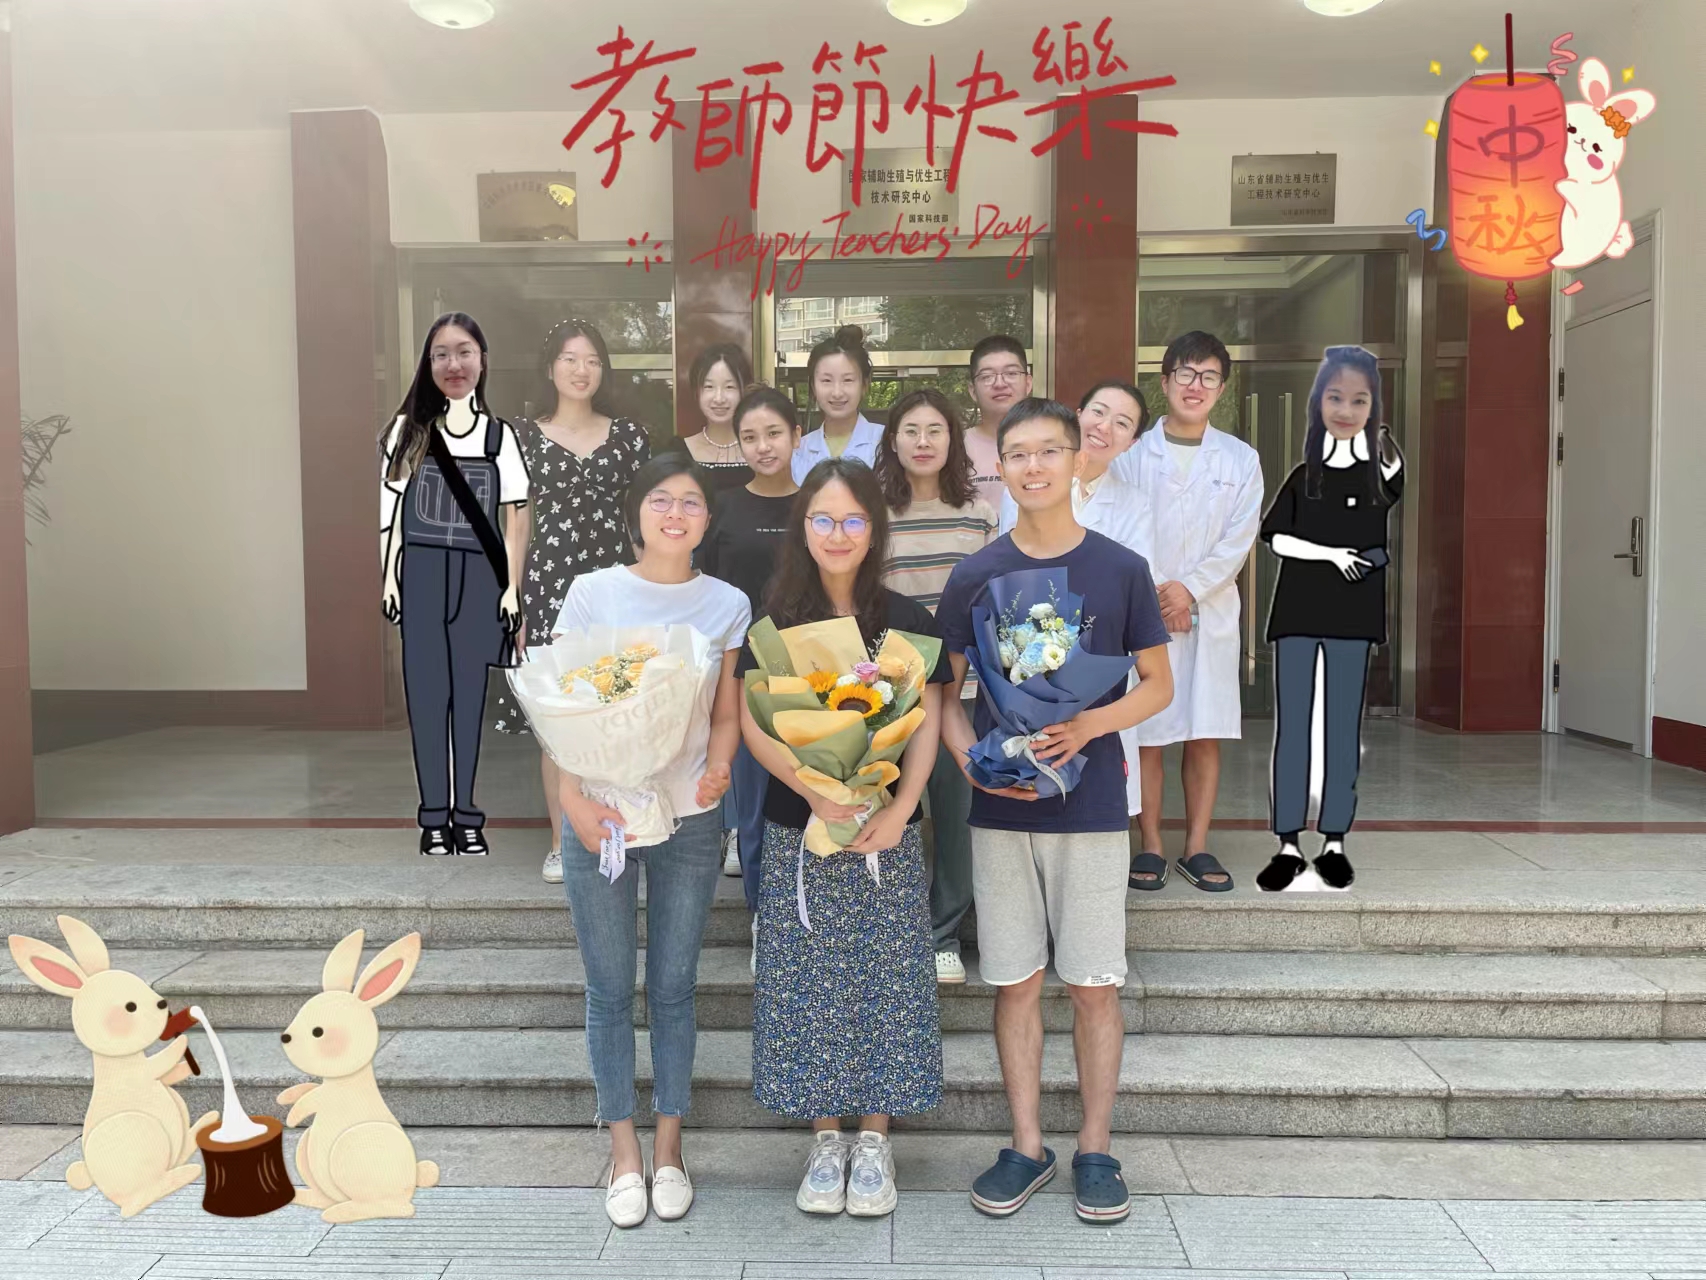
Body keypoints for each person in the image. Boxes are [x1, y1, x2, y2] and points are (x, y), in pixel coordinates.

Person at [937, 397, 1173, 1227]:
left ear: (1078, 460)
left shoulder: (1121, 568)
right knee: (1014, 983)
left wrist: (1089, 726)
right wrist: (976, 761)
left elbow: (1157, 685)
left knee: (1094, 985)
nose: (1033, 467)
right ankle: (1027, 1145)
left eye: (1048, 451)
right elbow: (945, 696)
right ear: (999, 467)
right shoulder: (974, 574)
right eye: (1018, 454)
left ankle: (1096, 1149)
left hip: (1094, 805)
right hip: (1002, 811)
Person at [738, 459, 950, 1220]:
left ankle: (876, 1140)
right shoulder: (775, 624)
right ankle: (826, 1139)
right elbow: (754, 726)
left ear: (874, 529)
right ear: (803, 528)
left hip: (886, 833)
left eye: (853, 519)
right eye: (823, 519)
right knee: (810, 984)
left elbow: (924, 726)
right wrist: (812, 791)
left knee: (885, 981)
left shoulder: (908, 621)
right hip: (801, 826)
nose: (838, 534)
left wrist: (902, 809)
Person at [553, 455, 751, 1229]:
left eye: (691, 502)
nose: (675, 513)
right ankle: (623, 1153)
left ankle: (670, 1147)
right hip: (600, 816)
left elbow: (726, 713)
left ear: (708, 519)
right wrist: (572, 802)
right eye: (661, 500)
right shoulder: (593, 592)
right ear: (636, 512)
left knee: (673, 985)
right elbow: (561, 706)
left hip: (688, 820)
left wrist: (721, 767)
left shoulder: (726, 603)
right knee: (608, 988)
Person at [488, 319, 652, 884]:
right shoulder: (521, 437)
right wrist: (512, 599)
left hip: (616, 586)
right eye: (570, 359)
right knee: (560, 721)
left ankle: (628, 830)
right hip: (549, 587)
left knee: (620, 709)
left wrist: (652, 588)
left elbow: (641, 520)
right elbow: (516, 524)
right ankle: (562, 841)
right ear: (550, 366)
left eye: (592, 360)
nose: (582, 370)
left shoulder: (630, 437)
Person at [1112, 331, 1262, 893]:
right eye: (1185, 373)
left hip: (1212, 610)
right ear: (1165, 380)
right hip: (1146, 609)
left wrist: (1190, 590)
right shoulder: (1131, 457)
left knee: (1204, 730)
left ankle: (1196, 845)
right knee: (1148, 731)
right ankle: (1150, 844)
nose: (1195, 385)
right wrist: (1160, 592)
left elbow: (1239, 538)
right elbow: (1123, 528)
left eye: (1208, 376)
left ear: (1222, 388)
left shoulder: (1240, 459)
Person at [380, 312, 529, 857]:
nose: (453, 364)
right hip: (421, 571)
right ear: (427, 363)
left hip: (478, 577)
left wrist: (511, 587)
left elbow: (516, 516)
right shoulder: (406, 431)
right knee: (425, 697)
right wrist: (389, 576)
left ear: (482, 360)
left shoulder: (499, 436)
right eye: (441, 353)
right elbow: (389, 514)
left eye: (464, 351)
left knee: (469, 699)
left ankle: (466, 815)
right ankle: (432, 818)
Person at [1256, 345, 1404, 892]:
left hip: (1353, 616)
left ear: (1373, 408)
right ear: (1319, 403)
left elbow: (1392, 480)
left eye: (1359, 400)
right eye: (1336, 398)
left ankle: (1335, 840)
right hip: (1298, 611)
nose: (1345, 410)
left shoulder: (1380, 474)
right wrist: (1331, 556)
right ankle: (1288, 843)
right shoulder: (1303, 476)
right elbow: (1276, 537)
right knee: (1292, 729)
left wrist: (1380, 440)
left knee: (1344, 731)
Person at [996, 380, 1156, 839]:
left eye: (1122, 423)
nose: (1105, 427)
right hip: (1028, 645)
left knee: (1098, 770)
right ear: (1079, 414)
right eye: (1099, 412)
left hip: (1100, 652)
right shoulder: (1027, 484)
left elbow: (1135, 580)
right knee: (1030, 759)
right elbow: (1012, 563)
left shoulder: (1135, 503)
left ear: (1132, 442)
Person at [874, 388, 997, 985]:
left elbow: (991, 606)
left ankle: (942, 934)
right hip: (886, 694)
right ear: (892, 440)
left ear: (953, 440)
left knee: (956, 816)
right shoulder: (873, 513)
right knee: (887, 814)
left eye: (935, 431)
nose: (923, 442)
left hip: (961, 692)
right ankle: (887, 932)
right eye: (911, 430)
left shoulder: (980, 513)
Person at [698, 387, 802, 957]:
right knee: (755, 806)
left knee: (809, 798)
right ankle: (764, 915)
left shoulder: (815, 503)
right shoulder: (723, 506)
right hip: (740, 673)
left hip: (810, 673)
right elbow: (704, 588)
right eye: (750, 437)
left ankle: (809, 915)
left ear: (797, 436)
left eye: (774, 434)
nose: (763, 446)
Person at [791, 325, 883, 480]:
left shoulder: (885, 443)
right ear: (813, 386)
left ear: (864, 385)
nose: (837, 392)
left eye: (848, 380)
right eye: (826, 380)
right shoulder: (799, 449)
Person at [965, 335, 1034, 509]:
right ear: (972, 390)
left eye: (1011, 374)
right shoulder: (954, 446)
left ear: (1028, 383)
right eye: (987, 376)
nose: (1000, 383)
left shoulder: (1052, 443)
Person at [681, 343, 757, 494]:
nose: (719, 398)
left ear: (744, 390)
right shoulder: (679, 452)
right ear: (697, 391)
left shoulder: (761, 451)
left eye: (730, 387)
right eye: (709, 387)